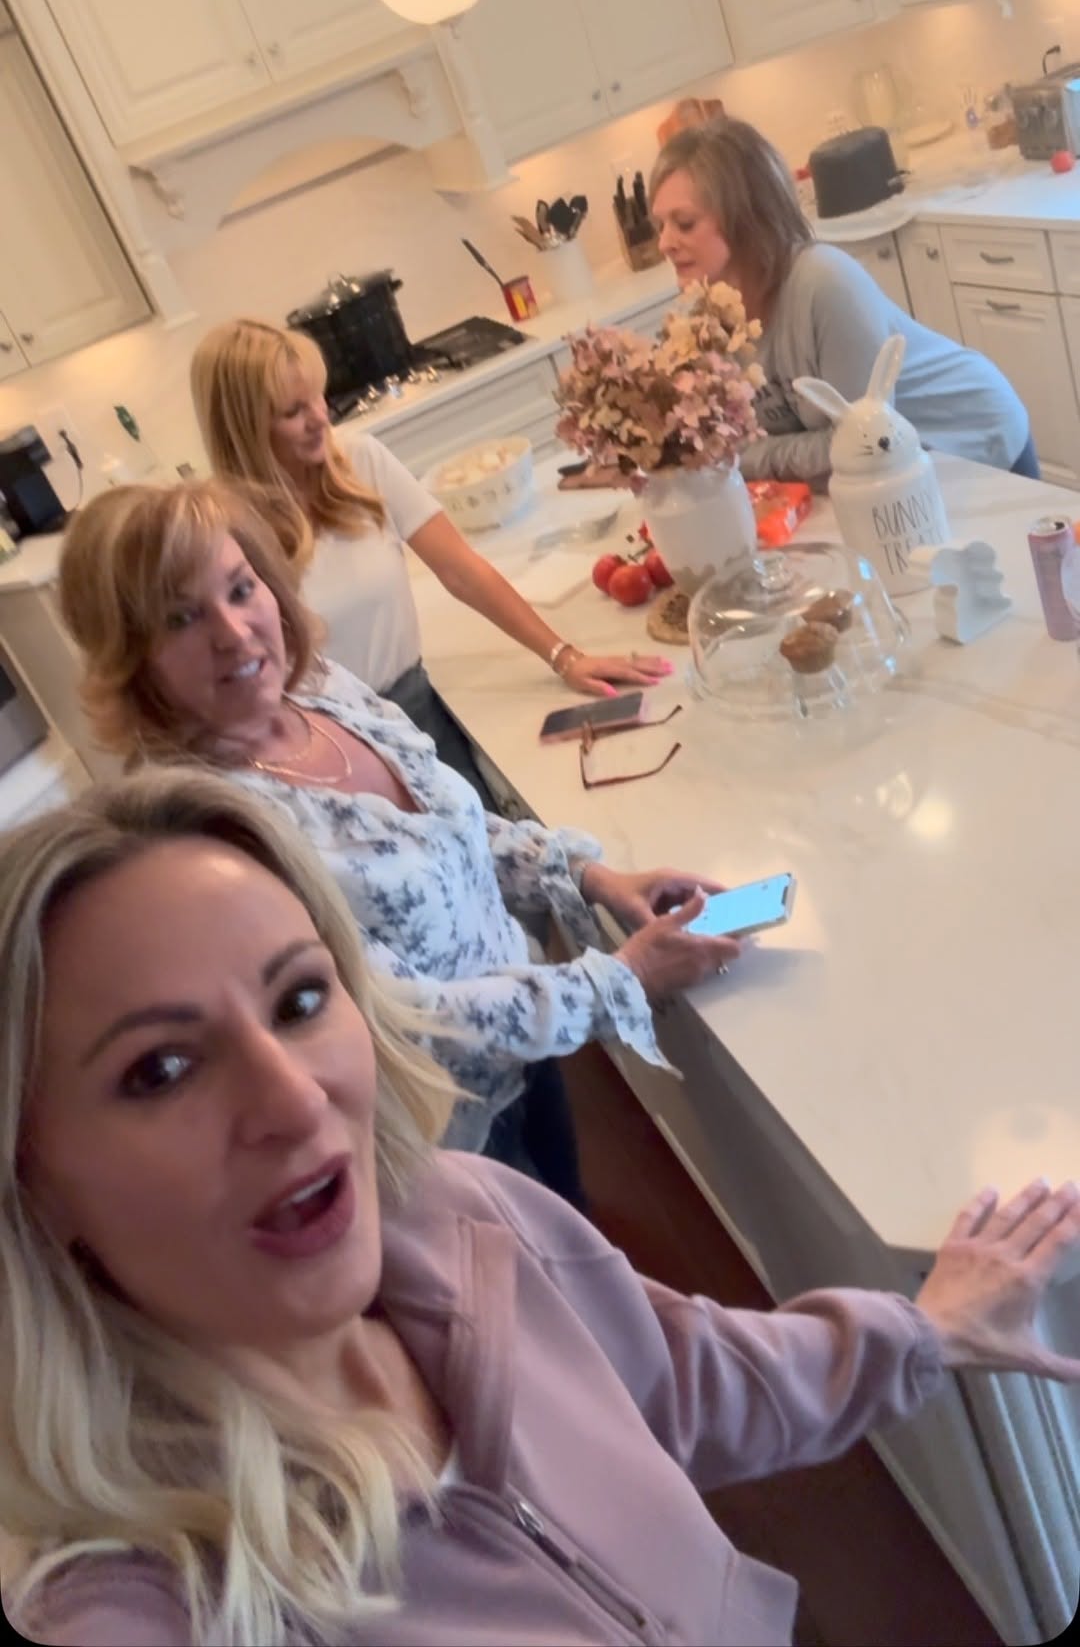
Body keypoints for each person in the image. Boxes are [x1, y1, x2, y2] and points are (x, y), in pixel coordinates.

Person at [4, 767, 1079, 1647]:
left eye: (299, 999)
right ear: (32, 1177)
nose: (293, 1100)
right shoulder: (134, 1601)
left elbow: (675, 1380)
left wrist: (923, 1332)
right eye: (161, 1070)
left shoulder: (464, 1214)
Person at [55, 478, 741, 1188]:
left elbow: (448, 828)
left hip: (530, 1045)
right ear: (131, 660)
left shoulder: (321, 690)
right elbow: (404, 1021)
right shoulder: (217, 837)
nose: (233, 633)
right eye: (179, 619)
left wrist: (588, 874)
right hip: (449, 1136)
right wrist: (622, 980)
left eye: (240, 588)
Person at [190, 316, 673, 798]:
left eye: (318, 396)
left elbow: (460, 569)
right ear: (245, 428)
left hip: (416, 707)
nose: (321, 417)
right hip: (328, 747)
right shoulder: (227, 533)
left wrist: (565, 657)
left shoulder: (360, 461)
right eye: (293, 411)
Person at [649, 117, 1038, 484]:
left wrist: (739, 457)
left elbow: (862, 442)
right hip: (884, 478)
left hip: (971, 442)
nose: (665, 243)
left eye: (684, 224)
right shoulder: (705, 319)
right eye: (660, 226)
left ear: (746, 217)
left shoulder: (824, 282)